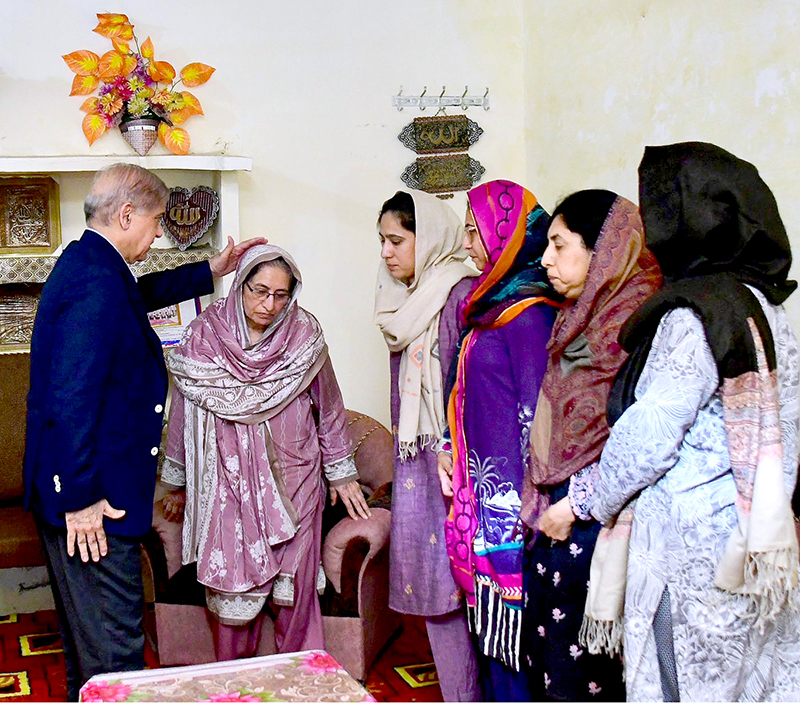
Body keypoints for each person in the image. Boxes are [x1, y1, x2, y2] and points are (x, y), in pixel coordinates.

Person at [23, 162, 264, 700]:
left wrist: (210, 269)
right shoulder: (94, 283)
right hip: (95, 505)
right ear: (127, 214)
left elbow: (134, 297)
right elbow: (71, 399)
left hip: (86, 492)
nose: (158, 235)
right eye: (155, 223)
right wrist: (83, 499)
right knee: (116, 657)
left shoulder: (93, 266)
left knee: (92, 653)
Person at [586, 142, 800, 701]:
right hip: (757, 544)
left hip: (690, 561)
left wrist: (592, 499)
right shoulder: (770, 311)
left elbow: (649, 437)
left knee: (680, 684)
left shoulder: (694, 315)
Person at [161, 243, 369, 660]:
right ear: (239, 286)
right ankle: (237, 686)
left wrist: (342, 474)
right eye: (259, 291)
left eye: (280, 294)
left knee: (296, 595)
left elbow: (328, 407)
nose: (269, 305)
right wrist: (176, 482)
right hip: (227, 488)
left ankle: (302, 680)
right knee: (232, 595)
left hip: (296, 482)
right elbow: (183, 410)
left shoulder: (305, 336)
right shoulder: (205, 335)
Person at [520, 189, 662, 702]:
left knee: (588, 681)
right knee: (552, 671)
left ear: (601, 248)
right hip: (553, 519)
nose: (545, 259)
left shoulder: (641, 325)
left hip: (601, 529)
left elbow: (644, 440)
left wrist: (576, 503)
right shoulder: (578, 316)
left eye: (560, 245)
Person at [438, 180, 560, 700]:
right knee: (492, 644)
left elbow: (541, 417)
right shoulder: (489, 306)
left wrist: (534, 504)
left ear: (507, 236)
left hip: (512, 507)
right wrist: (449, 447)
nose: (468, 245)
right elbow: (465, 392)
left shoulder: (529, 314)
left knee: (514, 649)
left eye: (475, 232)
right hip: (483, 494)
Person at [374, 190, 480, 702]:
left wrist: (449, 449)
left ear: (429, 237)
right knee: (440, 593)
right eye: (382, 242)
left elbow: (470, 386)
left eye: (396, 240)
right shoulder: (404, 300)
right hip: (418, 466)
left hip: (454, 465)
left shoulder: (460, 294)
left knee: (465, 589)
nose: (387, 253)